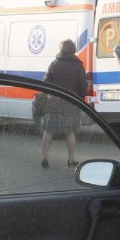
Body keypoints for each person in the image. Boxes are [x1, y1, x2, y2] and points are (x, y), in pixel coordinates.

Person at [41, 39, 87, 169]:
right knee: (70, 132)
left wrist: (47, 95)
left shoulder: (54, 64)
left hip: (54, 101)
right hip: (71, 101)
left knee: (48, 130)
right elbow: (83, 86)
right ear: (73, 50)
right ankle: (71, 159)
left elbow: (45, 83)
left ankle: (44, 157)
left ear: (61, 49)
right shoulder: (78, 66)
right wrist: (79, 98)